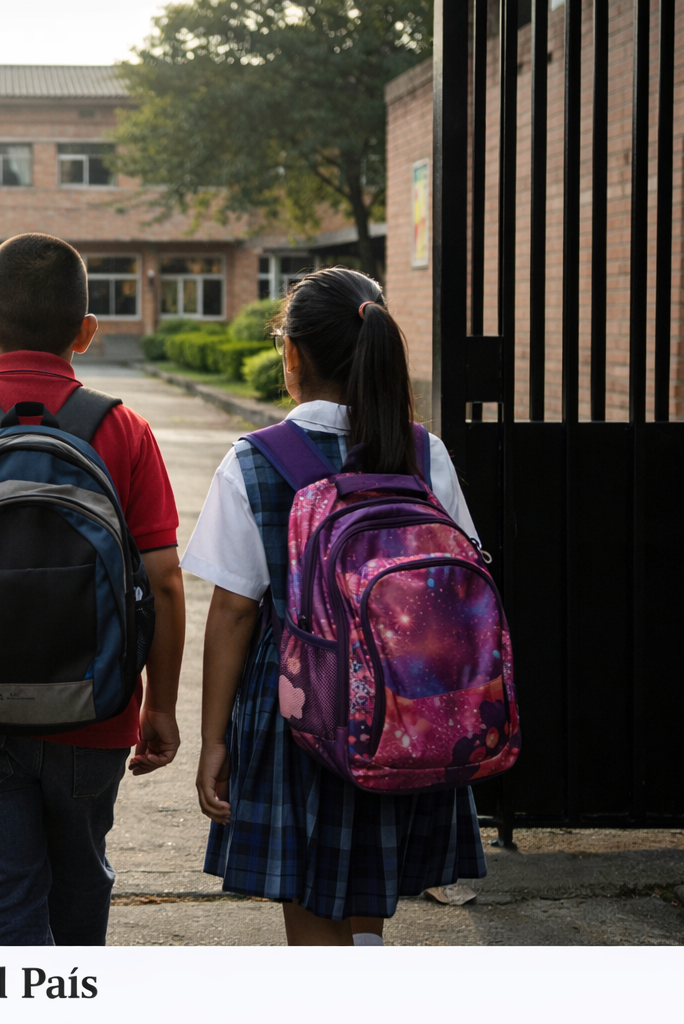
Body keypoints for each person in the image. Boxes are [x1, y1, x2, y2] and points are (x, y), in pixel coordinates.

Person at [0, 233, 187, 945]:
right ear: (87, 331)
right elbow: (165, 584)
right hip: (96, 710)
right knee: (80, 892)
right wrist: (163, 705)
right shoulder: (121, 427)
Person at [182, 266, 486, 946]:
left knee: (312, 906)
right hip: (402, 709)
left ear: (290, 355)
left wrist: (215, 740)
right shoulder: (422, 453)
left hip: (298, 713)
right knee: (366, 885)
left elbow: (232, 613)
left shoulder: (255, 461)